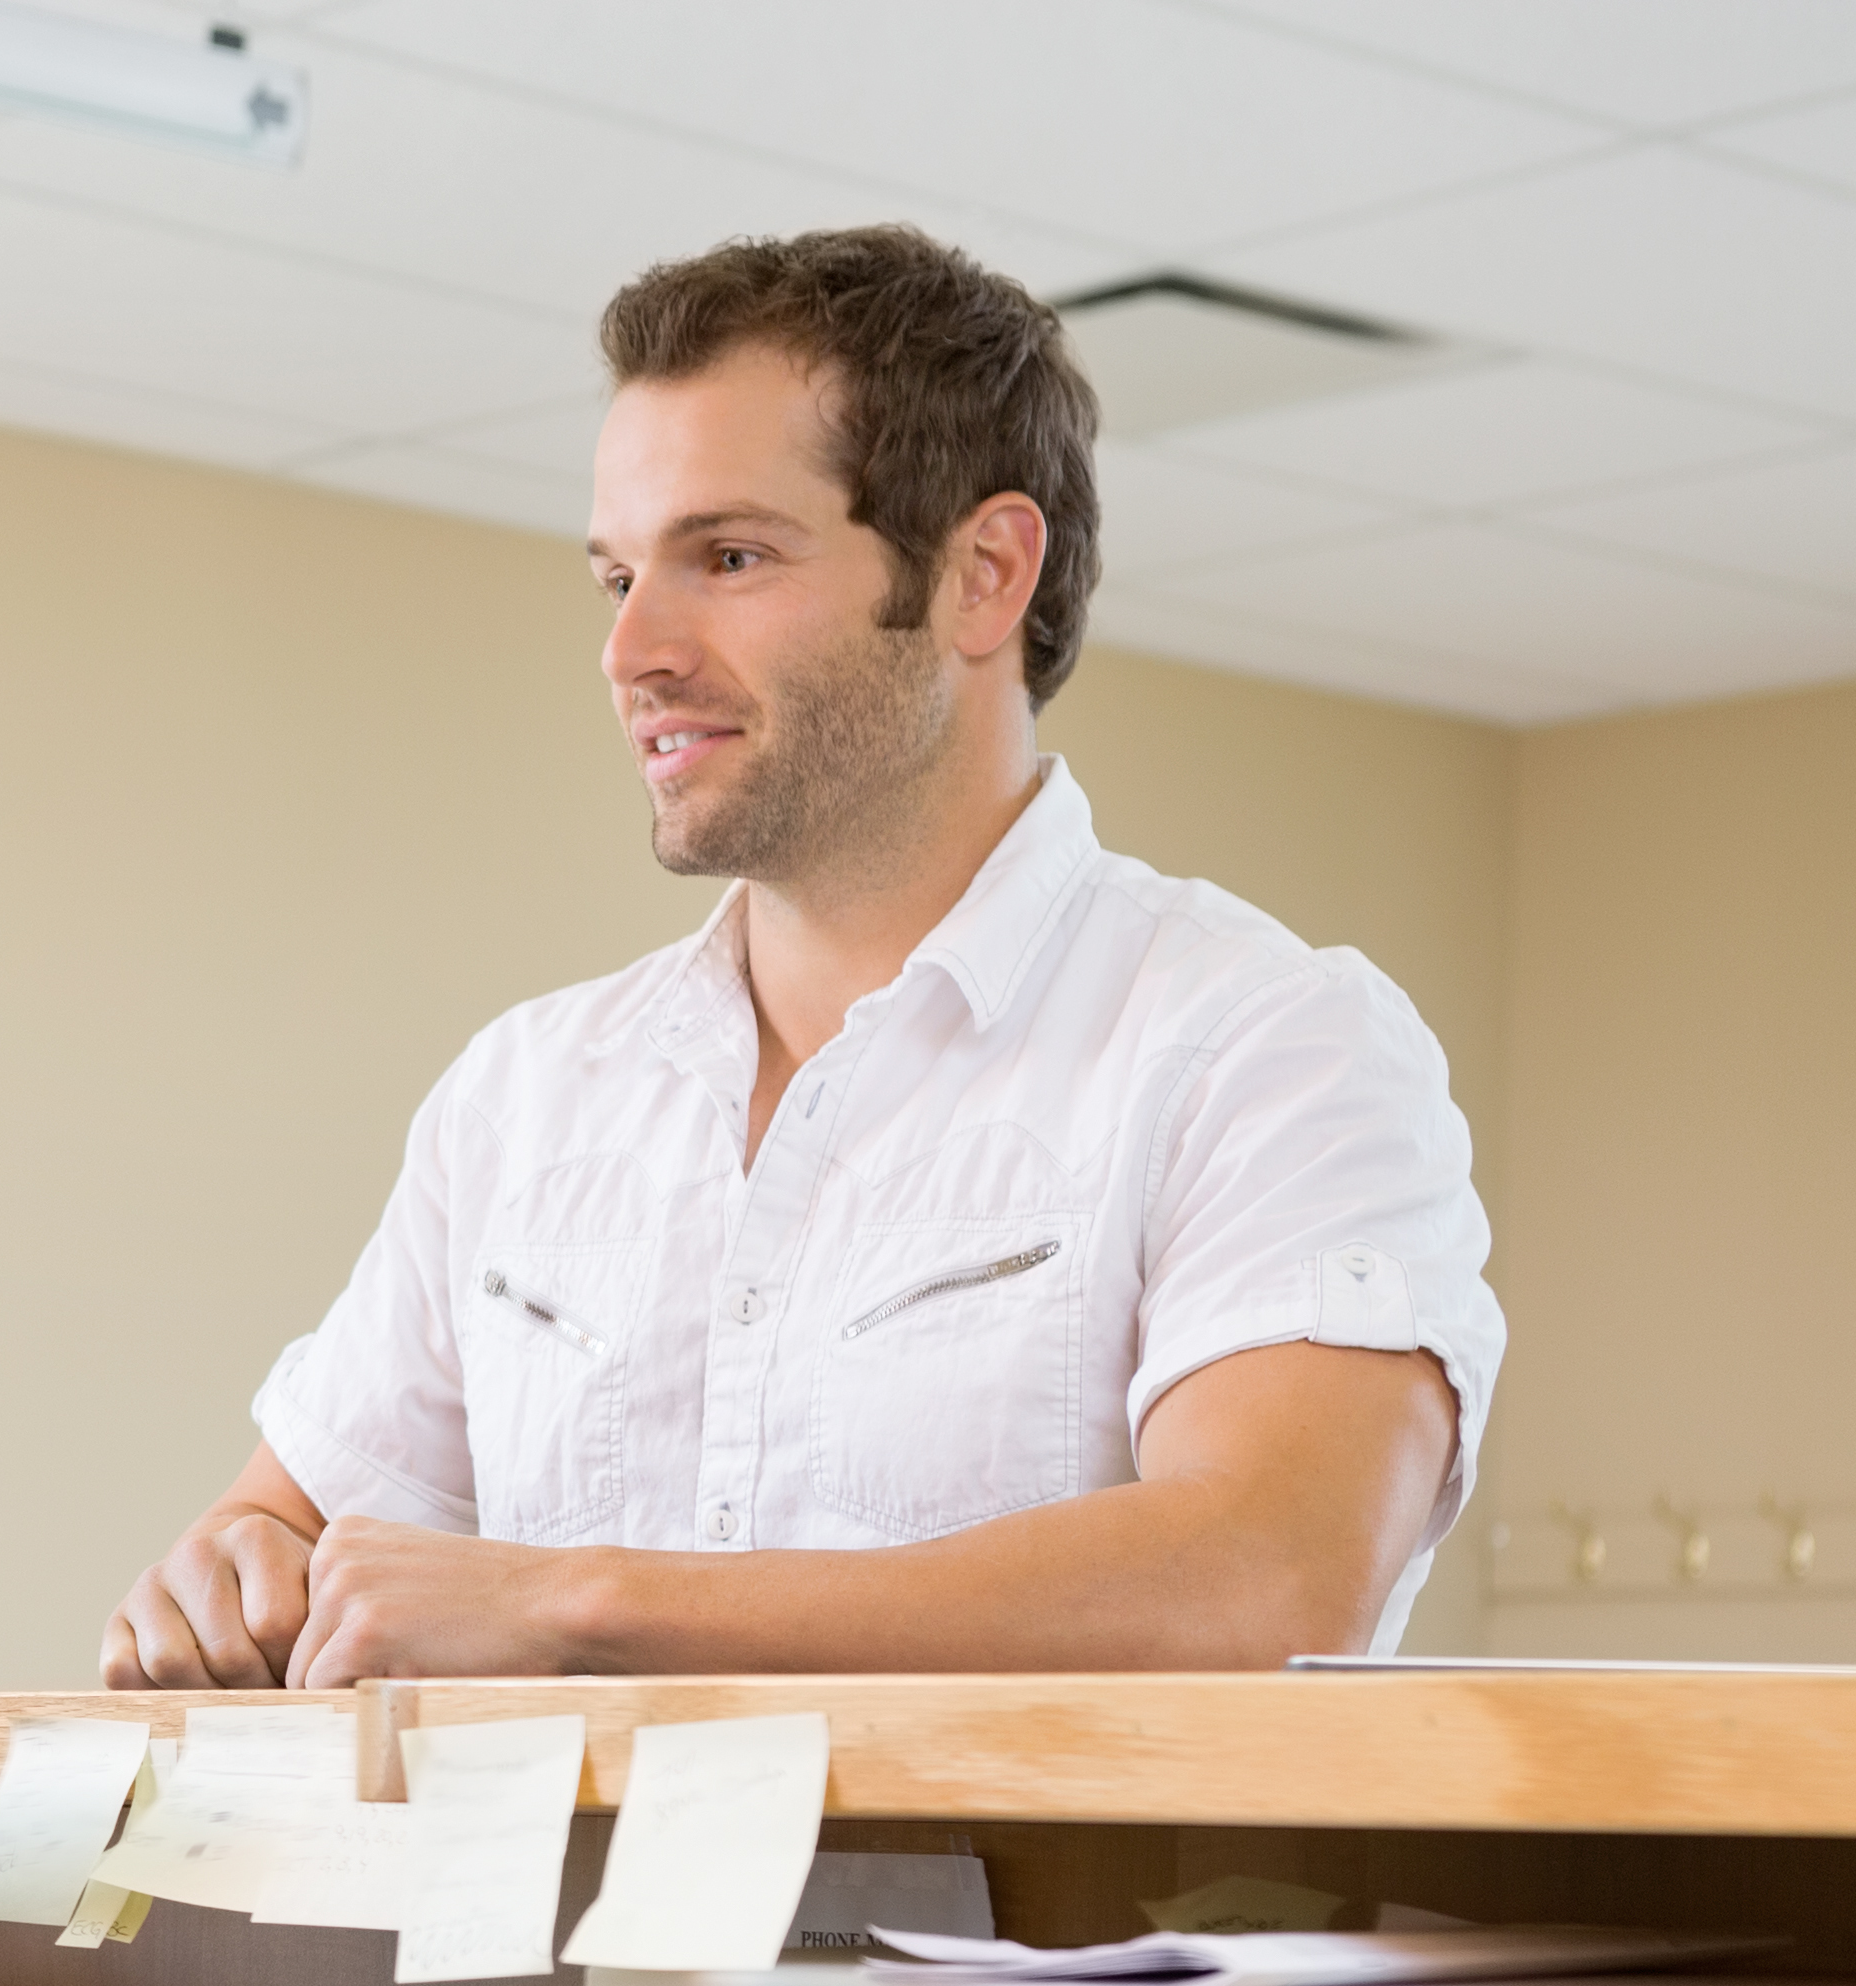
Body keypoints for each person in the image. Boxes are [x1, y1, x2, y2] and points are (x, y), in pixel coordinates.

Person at [102, 227, 1505, 1692]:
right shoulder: (524, 1096)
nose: (632, 649)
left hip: (1050, 1930)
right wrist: (224, 1582)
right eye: (616, 576)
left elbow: (1265, 1577)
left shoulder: (1263, 1042)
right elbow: (286, 1523)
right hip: (553, 1934)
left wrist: (579, 1604)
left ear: (983, 574)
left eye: (728, 557)